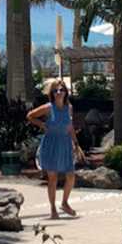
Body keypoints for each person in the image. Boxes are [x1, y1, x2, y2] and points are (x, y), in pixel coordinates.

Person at [28, 81, 82, 219]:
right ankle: (53, 208)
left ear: (65, 92)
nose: (58, 92)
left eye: (61, 90)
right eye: (55, 91)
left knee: (70, 176)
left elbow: (70, 127)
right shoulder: (48, 107)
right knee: (53, 178)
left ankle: (64, 203)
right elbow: (30, 116)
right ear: (52, 93)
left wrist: (76, 144)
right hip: (51, 144)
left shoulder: (69, 108)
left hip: (65, 144)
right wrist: (42, 125)